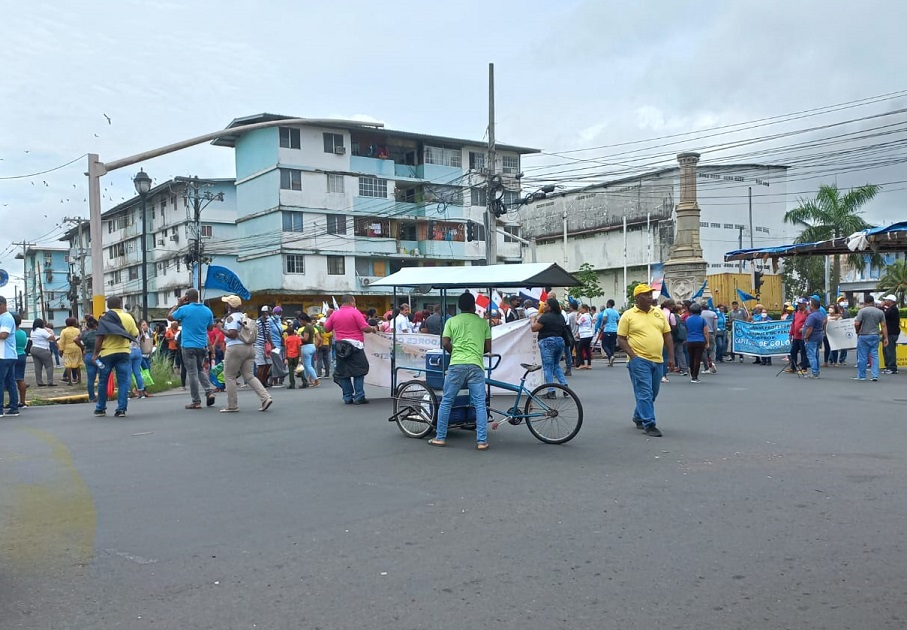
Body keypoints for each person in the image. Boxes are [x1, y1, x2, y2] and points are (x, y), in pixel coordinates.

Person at [427, 291, 492, 449]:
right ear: (473, 306)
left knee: (447, 401)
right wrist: (475, 352)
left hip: (456, 365)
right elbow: (487, 347)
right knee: (480, 404)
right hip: (476, 365)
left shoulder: (452, 321)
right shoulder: (483, 323)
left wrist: (454, 351)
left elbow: (445, 342)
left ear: (459, 306)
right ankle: (482, 441)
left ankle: (440, 437)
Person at [617, 284, 674, 437]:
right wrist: (633, 356)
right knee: (645, 392)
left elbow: (667, 334)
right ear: (637, 298)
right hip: (639, 360)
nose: (650, 297)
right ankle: (649, 423)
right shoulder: (628, 315)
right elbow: (621, 339)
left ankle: (638, 416)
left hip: (658, 359)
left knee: (653, 393)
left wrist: (671, 357)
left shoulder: (659, 313)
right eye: (646, 295)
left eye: (650, 294)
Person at [217, 295, 272, 412]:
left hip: (235, 348)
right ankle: (265, 397)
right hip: (249, 348)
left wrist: (221, 329)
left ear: (230, 306)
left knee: (229, 376)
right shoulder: (244, 316)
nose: (225, 305)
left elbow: (232, 334)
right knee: (249, 375)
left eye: (227, 303)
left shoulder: (231, 318)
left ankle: (232, 405)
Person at [323, 294, 377, 405]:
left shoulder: (335, 314)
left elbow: (326, 328)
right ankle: (359, 396)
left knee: (344, 372)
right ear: (352, 301)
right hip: (355, 346)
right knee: (359, 370)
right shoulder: (355, 312)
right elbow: (364, 328)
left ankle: (347, 397)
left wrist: (328, 316)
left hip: (340, 346)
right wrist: (373, 328)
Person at [93, 295, 139, 418]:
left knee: (103, 381)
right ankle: (121, 409)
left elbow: (100, 336)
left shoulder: (104, 318)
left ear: (108, 306)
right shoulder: (128, 317)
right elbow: (135, 333)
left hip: (106, 354)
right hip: (124, 353)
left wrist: (95, 354)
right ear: (120, 305)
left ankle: (101, 408)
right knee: (124, 381)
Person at [170, 288, 216, 409]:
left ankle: (196, 401)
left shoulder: (184, 309)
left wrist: (177, 304)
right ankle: (209, 391)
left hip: (188, 345)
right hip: (202, 345)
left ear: (187, 298)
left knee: (192, 373)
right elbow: (211, 328)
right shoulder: (207, 310)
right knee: (200, 369)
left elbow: (170, 317)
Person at [531, 297, 570, 398]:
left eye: (546, 304)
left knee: (548, 367)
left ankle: (551, 391)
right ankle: (565, 386)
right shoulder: (560, 316)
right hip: (560, 341)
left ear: (550, 306)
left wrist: (533, 320)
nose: (544, 306)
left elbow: (534, 328)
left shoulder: (545, 317)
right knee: (556, 365)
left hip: (547, 342)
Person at [853, 295, 888, 382]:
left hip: (864, 335)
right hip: (875, 335)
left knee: (862, 356)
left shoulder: (862, 311)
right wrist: (886, 338)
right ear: (873, 302)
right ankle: (875, 375)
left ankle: (862, 375)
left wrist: (857, 331)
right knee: (874, 355)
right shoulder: (880, 312)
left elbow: (857, 323)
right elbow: (883, 325)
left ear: (865, 302)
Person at [0, 296, 20, 417]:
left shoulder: (6, 318)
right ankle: (13, 407)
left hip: (4, 355)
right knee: (10, 382)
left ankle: (0, 409)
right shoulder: (5, 317)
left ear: (2, 305)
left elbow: (3, 335)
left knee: (1, 382)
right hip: (9, 355)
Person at [802, 298, 827, 378]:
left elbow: (810, 328)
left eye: (810, 305)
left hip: (812, 337)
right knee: (816, 355)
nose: (809, 306)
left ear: (813, 306)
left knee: (811, 355)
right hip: (818, 336)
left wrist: (806, 336)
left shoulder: (812, 316)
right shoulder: (820, 314)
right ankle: (816, 371)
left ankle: (814, 372)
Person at [685, 303, 709, 383]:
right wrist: (707, 342)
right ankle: (695, 376)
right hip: (700, 340)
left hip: (690, 340)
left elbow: (686, 330)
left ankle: (692, 373)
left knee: (691, 358)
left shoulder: (687, 319)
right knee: (697, 358)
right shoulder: (702, 320)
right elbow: (705, 332)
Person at [29, 318, 56, 386]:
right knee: (49, 366)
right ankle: (50, 381)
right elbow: (51, 338)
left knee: (37, 367)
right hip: (43, 349)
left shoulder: (33, 331)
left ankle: (39, 382)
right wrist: (49, 331)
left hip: (33, 348)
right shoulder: (42, 331)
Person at [786, 298, 809, 374]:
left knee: (803, 352)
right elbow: (793, 324)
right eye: (798, 303)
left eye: (800, 304)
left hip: (802, 337)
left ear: (805, 304)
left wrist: (804, 328)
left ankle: (804, 368)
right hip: (796, 336)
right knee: (793, 352)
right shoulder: (796, 313)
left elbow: (809, 324)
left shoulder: (807, 313)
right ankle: (793, 367)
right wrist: (790, 333)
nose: (798, 305)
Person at [80, 315, 100, 402]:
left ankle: (92, 397)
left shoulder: (84, 333)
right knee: (102, 376)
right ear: (96, 325)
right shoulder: (99, 333)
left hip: (88, 355)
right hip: (99, 356)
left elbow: (75, 339)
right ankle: (102, 395)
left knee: (90, 379)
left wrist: (83, 347)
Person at [58, 317, 84, 385]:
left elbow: (62, 341)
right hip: (77, 347)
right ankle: (79, 379)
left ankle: (70, 381)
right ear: (74, 323)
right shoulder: (77, 330)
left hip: (68, 348)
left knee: (68, 365)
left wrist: (60, 350)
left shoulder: (64, 331)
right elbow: (80, 339)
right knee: (77, 364)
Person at [297, 313, 320, 387]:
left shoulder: (306, 327)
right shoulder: (311, 327)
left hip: (306, 347)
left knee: (308, 366)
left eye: (300, 321)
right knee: (308, 365)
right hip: (312, 346)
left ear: (304, 320)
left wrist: (299, 337)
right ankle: (307, 381)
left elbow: (305, 339)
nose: (300, 323)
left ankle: (316, 380)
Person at [11, 313, 28, 409]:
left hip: (13, 356)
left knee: (10, 380)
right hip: (22, 355)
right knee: (20, 379)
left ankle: (12, 401)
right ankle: (22, 401)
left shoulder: (11, 333)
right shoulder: (23, 333)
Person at [881, 294, 900, 374]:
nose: (885, 302)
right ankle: (888, 366)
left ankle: (892, 368)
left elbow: (885, 316)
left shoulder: (894, 309)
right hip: (888, 333)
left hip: (891, 333)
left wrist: (882, 307)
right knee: (886, 350)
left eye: (886, 300)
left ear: (891, 301)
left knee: (890, 350)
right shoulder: (890, 309)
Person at [598, 299, 620, 367]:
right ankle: (610, 360)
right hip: (615, 330)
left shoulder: (606, 311)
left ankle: (610, 356)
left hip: (607, 329)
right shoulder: (616, 312)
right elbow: (618, 320)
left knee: (605, 345)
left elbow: (604, 319)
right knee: (612, 345)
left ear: (608, 304)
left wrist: (602, 325)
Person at [574, 304, 595, 369]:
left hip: (584, 335)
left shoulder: (584, 316)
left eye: (581, 309)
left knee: (579, 349)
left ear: (584, 309)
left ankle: (582, 363)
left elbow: (577, 323)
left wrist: (576, 317)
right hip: (589, 334)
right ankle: (589, 364)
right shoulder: (589, 316)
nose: (580, 310)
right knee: (587, 349)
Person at [284, 325, 302, 389]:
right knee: (300, 369)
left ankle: (292, 384)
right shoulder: (297, 338)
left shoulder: (287, 339)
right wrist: (300, 356)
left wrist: (285, 357)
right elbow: (299, 347)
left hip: (289, 355)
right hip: (296, 355)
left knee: (291, 371)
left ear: (288, 333)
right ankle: (304, 381)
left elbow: (286, 348)